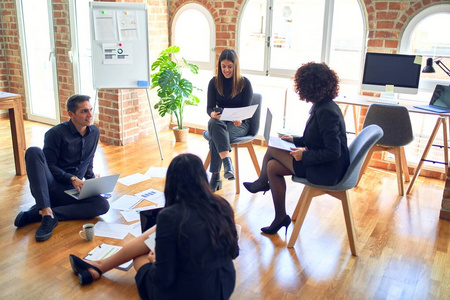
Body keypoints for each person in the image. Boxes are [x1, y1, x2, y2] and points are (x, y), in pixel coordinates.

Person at [69, 153, 239, 300]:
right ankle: (99, 266)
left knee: (140, 256)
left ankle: (99, 266)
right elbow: (234, 252)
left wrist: (153, 259)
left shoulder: (170, 215)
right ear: (203, 178)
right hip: (223, 284)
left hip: (189, 294)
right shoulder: (221, 205)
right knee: (155, 233)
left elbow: (163, 278)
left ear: (172, 182)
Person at [243, 62, 350, 235]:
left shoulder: (326, 111)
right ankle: (280, 217)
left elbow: (333, 151)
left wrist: (304, 155)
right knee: (272, 167)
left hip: (328, 171)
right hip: (323, 164)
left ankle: (262, 183)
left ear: (308, 87)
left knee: (272, 149)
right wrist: (295, 140)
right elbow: (318, 139)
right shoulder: (323, 105)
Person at [14, 94, 109, 242]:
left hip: (74, 190)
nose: (90, 114)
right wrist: (71, 178)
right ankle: (45, 212)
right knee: (33, 151)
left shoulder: (94, 132)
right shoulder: (55, 134)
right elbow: (49, 165)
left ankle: (42, 214)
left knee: (102, 205)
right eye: (84, 111)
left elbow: (89, 161)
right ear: (70, 114)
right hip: (54, 187)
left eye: (90, 109)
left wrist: (93, 184)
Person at [207, 49, 253, 192]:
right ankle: (227, 163)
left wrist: (240, 118)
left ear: (235, 66)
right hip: (220, 121)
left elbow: (247, 112)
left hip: (239, 124)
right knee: (214, 124)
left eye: (229, 67)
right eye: (223, 66)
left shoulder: (245, 83)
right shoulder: (214, 82)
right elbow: (209, 108)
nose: (226, 70)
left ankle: (215, 176)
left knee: (216, 135)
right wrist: (212, 114)